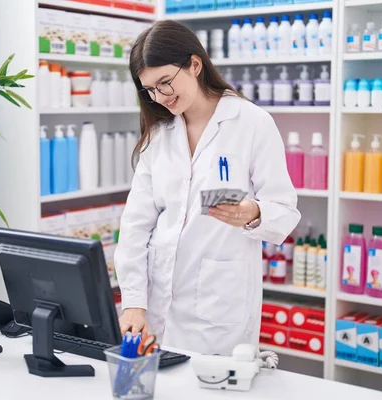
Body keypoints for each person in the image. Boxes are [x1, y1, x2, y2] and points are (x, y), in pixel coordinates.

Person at [113, 20, 301, 356]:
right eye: (150, 90)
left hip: (219, 309)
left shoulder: (252, 123)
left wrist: (254, 213)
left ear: (195, 65)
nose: (160, 97)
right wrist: (134, 302)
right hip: (158, 307)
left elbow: (284, 208)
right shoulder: (159, 135)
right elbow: (135, 226)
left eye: (165, 83)